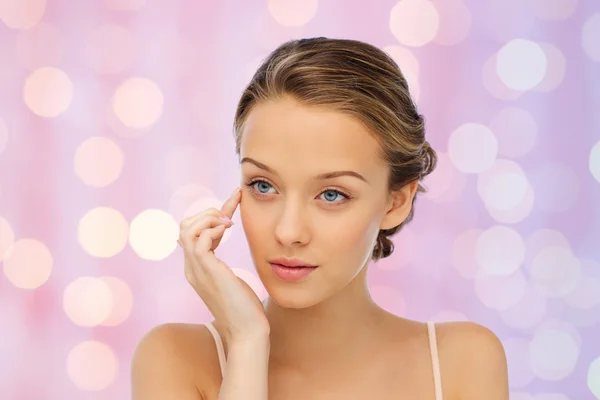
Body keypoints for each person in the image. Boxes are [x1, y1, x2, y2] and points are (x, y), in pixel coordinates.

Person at [131, 37, 509, 399]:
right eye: (263, 186)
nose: (288, 232)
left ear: (396, 202)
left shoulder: (462, 361)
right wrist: (247, 343)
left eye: (331, 194)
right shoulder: (177, 358)